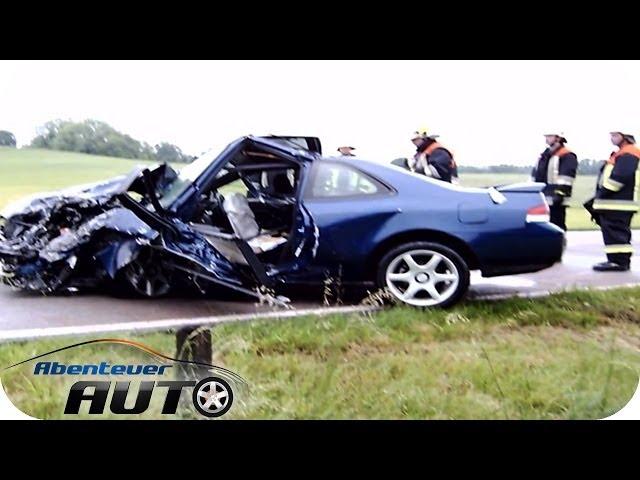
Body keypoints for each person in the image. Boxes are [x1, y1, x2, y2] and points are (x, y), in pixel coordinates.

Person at [588, 129, 640, 272]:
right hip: (614, 203)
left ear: (625, 137)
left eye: (615, 135)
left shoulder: (629, 153)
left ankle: (619, 263)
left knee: (617, 234)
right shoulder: (622, 153)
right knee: (613, 234)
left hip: (618, 203)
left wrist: (602, 193)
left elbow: (620, 178)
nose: (612, 138)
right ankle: (614, 261)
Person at [531, 131, 578, 231]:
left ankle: (559, 245)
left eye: (549, 136)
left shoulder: (567, 155)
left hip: (557, 199)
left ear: (558, 138)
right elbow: (535, 175)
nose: (546, 139)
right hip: (542, 198)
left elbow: (567, 178)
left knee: (557, 226)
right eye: (546, 136)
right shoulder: (544, 155)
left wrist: (560, 194)